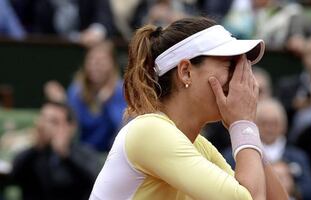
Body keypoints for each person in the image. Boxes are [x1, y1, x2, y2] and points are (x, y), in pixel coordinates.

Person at [90, 17, 288, 200]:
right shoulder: (149, 131)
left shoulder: (198, 146)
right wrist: (242, 123)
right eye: (230, 66)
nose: (242, 81)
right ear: (186, 72)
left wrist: (247, 132)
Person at [223, 98, 311, 200]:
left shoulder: (298, 156)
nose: (270, 128)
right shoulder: (236, 154)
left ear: (284, 126)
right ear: (255, 124)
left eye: (275, 123)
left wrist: (291, 187)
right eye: (264, 123)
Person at [9, 101, 100, 200]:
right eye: (43, 119)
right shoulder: (33, 154)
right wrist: (36, 149)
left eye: (54, 122)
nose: (45, 126)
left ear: (71, 127)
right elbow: (14, 177)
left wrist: (65, 155)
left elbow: (94, 183)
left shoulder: (84, 153)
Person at [67, 41, 126, 152]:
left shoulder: (122, 90)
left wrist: (108, 105)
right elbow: (73, 127)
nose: (96, 65)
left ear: (112, 64)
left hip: (111, 154)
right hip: (81, 154)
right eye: (91, 59)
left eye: (101, 61)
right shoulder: (76, 91)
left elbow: (122, 130)